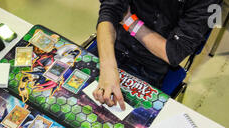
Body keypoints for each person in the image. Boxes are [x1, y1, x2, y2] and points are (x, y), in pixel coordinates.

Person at [93, 0, 221, 109]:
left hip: (148, 67)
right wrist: (108, 67)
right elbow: (109, 10)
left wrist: (128, 20)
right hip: (109, 47)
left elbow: (173, 53)